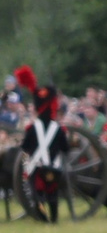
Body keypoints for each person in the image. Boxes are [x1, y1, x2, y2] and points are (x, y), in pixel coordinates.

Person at [13, 65, 66, 223]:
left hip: (37, 166)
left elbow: (25, 147)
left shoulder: (31, 129)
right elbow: (65, 148)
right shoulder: (59, 128)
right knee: (53, 192)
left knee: (38, 192)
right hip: (54, 166)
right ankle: (54, 218)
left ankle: (43, 218)